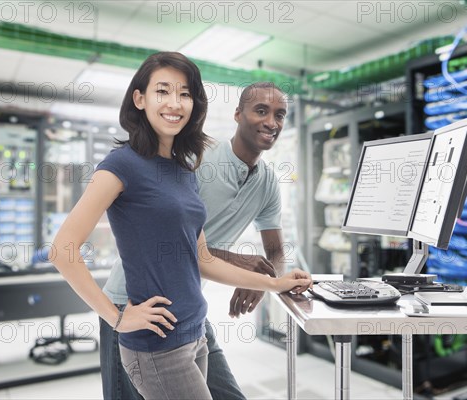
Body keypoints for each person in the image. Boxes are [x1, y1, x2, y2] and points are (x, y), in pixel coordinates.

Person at [49, 52, 311, 400]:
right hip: (143, 320)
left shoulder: (183, 169)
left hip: (191, 326)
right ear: (139, 99)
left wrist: (274, 283)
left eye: (184, 93)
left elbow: (202, 257)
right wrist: (117, 318)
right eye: (162, 91)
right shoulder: (124, 165)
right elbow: (63, 250)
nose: (175, 103)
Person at [101, 80, 292, 400]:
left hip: (188, 309)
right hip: (133, 302)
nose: (272, 122)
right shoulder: (195, 160)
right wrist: (239, 263)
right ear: (237, 115)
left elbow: (276, 251)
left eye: (280, 114)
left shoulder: (268, 181)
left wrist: (264, 278)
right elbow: (161, 243)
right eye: (261, 111)